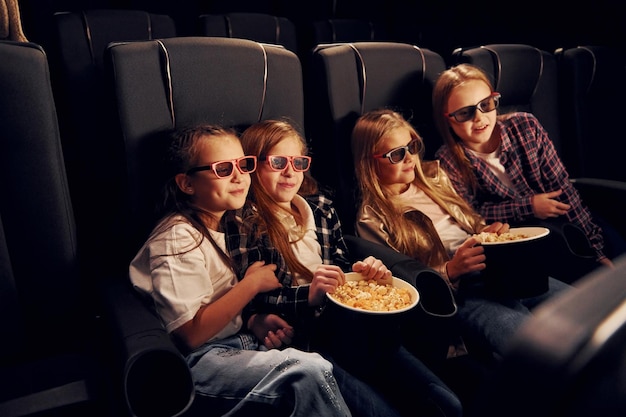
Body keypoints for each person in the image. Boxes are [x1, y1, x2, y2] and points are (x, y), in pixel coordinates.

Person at [227, 118, 463, 417]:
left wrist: (364, 273)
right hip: (310, 341)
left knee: (447, 405)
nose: (290, 172)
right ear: (253, 165)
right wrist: (309, 295)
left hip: (357, 330)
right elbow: (255, 296)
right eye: (277, 162)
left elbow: (340, 265)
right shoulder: (244, 222)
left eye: (298, 162)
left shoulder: (322, 209)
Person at [128, 124, 353, 416]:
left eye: (243, 165)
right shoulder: (177, 237)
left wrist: (253, 321)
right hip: (199, 360)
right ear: (187, 184)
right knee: (308, 371)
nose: (239, 177)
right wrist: (251, 285)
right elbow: (189, 334)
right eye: (223, 169)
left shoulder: (231, 224)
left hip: (242, 342)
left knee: (323, 359)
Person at [351, 108, 572, 364]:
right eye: (396, 154)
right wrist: (450, 270)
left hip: (496, 269)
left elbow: (471, 221)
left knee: (583, 310)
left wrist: (487, 233)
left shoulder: (434, 177)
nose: (410, 158)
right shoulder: (372, 217)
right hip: (461, 292)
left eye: (412, 146)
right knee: (537, 346)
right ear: (370, 161)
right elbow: (397, 283)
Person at [432, 63, 625, 278]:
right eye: (465, 113)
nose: (479, 118)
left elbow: (564, 191)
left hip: (572, 225)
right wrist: (529, 206)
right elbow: (470, 216)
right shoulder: (448, 160)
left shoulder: (525, 126)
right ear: (448, 118)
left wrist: (596, 250)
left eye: (486, 105)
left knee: (614, 258)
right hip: (522, 243)